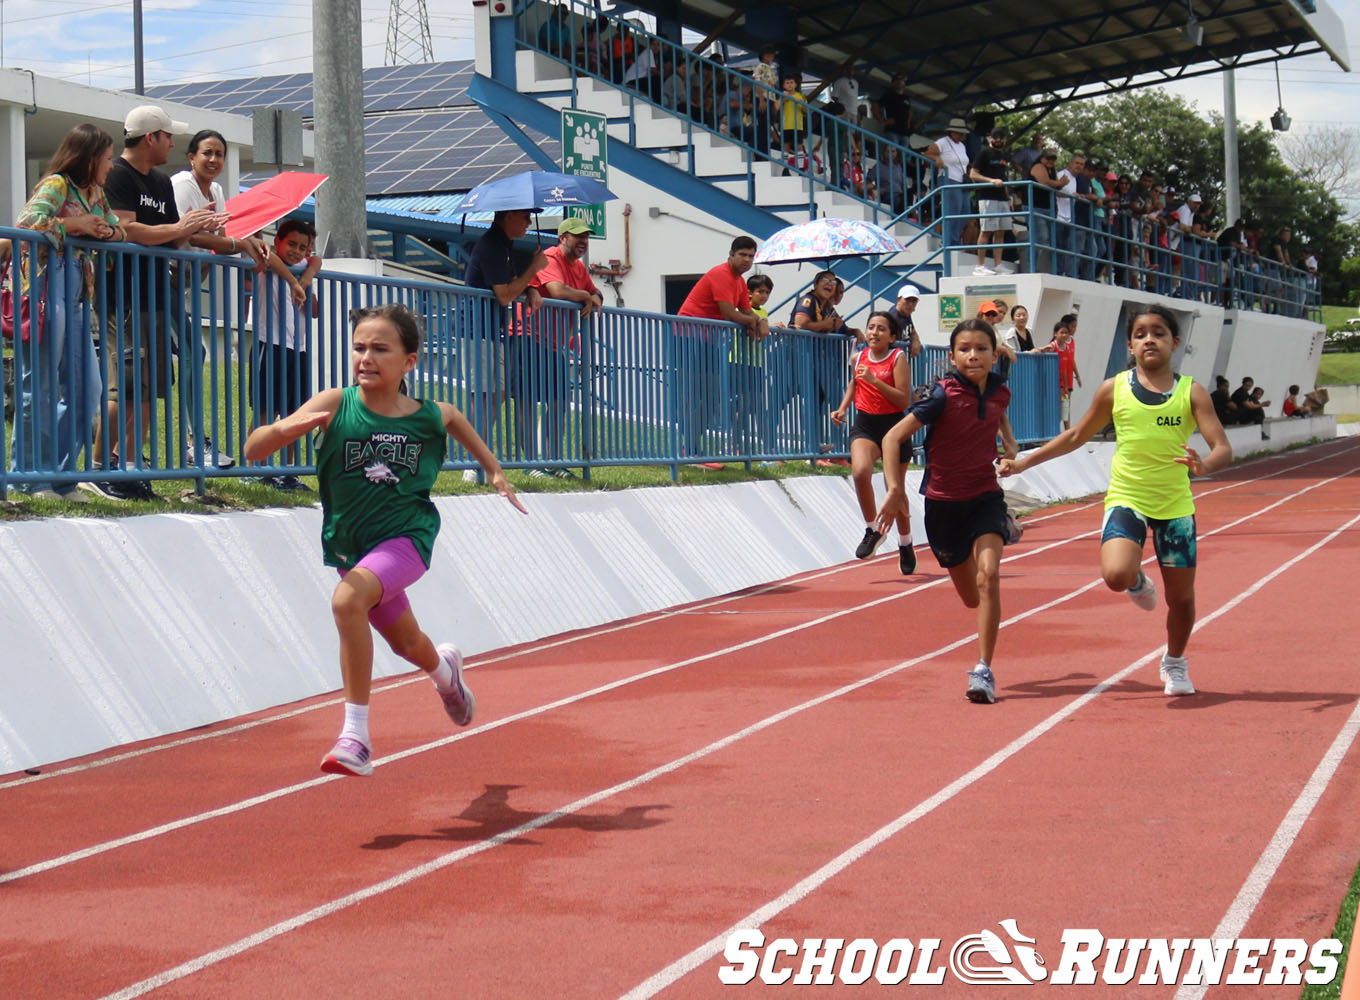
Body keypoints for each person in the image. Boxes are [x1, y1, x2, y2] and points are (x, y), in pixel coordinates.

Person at [243, 303, 527, 777]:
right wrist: (286, 428)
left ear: (408, 361)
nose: (365, 358)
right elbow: (253, 450)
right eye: (358, 348)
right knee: (407, 643)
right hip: (352, 546)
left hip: (407, 539)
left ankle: (355, 736)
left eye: (380, 348)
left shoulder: (427, 415)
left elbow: (455, 420)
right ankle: (445, 674)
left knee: (345, 602)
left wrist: (494, 470)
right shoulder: (334, 403)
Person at [1000, 305, 1232, 697]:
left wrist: (1205, 465)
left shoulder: (1191, 392)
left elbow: (1222, 447)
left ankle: (1174, 661)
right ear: (1130, 344)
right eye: (1141, 334)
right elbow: (1075, 436)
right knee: (1115, 576)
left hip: (1175, 506)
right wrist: (1025, 461)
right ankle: (1136, 579)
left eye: (1158, 333)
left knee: (1182, 599)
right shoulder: (1115, 388)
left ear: (1175, 342)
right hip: (1128, 497)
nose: (1149, 340)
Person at [875, 318, 1021, 705]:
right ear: (953, 356)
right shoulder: (940, 395)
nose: (973, 355)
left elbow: (999, 415)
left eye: (981, 349)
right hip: (943, 506)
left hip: (985, 498)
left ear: (994, 355)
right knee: (973, 598)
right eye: (965, 349)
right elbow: (892, 437)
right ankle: (974, 575)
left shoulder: (1000, 391)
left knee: (990, 577)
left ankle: (983, 670)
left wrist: (1009, 446)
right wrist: (893, 489)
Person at [88, 105, 225, 501]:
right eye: (168, 136)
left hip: (156, 297)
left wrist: (193, 238)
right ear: (151, 137)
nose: (172, 143)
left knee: (154, 387)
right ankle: (99, 468)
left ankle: (131, 469)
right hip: (122, 296)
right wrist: (181, 229)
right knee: (126, 387)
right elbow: (126, 228)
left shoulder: (162, 182)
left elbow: (167, 236)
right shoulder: (117, 175)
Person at [8, 123, 125, 502]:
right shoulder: (57, 184)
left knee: (87, 391)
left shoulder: (96, 192)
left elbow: (114, 226)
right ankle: (30, 478)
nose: (110, 165)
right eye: (107, 158)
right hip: (47, 283)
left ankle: (58, 476)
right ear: (90, 158)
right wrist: (77, 225)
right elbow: (27, 224)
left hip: (77, 291)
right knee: (38, 386)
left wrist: (107, 232)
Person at [171, 127, 272, 470]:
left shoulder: (214, 189)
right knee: (188, 354)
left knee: (190, 354)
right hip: (161, 282)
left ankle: (194, 442)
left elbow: (219, 236)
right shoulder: (183, 185)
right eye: (207, 153)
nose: (214, 160)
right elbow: (193, 236)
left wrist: (250, 241)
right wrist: (237, 244)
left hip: (181, 285)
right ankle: (193, 443)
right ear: (192, 157)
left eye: (219, 154)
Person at [830, 311, 916, 575]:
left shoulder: (897, 358)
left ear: (892, 336)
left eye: (881, 329)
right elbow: (854, 384)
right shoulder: (859, 357)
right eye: (871, 327)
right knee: (859, 472)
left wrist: (875, 380)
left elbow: (904, 401)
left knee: (897, 492)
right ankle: (872, 530)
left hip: (894, 427)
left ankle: (906, 542)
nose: (874, 333)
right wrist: (843, 408)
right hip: (865, 424)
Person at [464, 207, 547, 479]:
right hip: (478, 330)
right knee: (484, 396)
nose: (528, 223)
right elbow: (504, 295)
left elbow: (512, 284)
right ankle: (472, 464)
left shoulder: (503, 245)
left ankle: (478, 459)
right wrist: (534, 269)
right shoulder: (492, 245)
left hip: (489, 330)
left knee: (495, 395)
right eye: (525, 216)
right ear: (509, 215)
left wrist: (531, 288)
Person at [519, 216, 603, 477]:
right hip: (528, 336)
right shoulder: (549, 257)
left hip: (555, 344)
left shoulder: (578, 268)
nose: (584, 241)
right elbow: (556, 290)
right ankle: (531, 464)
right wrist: (586, 297)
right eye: (578, 236)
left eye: (587, 237)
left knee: (559, 400)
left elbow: (597, 293)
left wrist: (592, 297)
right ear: (562, 237)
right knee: (528, 400)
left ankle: (554, 462)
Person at [677, 235, 766, 467]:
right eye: (742, 255)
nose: (747, 260)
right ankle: (689, 451)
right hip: (689, 336)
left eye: (751, 256)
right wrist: (752, 323)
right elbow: (729, 313)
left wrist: (759, 322)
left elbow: (746, 311)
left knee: (711, 397)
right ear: (731, 255)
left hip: (710, 339)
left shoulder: (738, 281)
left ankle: (694, 450)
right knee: (697, 395)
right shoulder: (721, 274)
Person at [252, 218, 322, 491]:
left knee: (295, 411)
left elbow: (314, 309)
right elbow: (268, 258)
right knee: (265, 409)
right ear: (277, 242)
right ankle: (256, 466)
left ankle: (287, 471)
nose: (296, 251)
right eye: (291, 243)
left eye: (303, 247)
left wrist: (306, 281)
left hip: (298, 347)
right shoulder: (267, 262)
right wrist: (296, 280)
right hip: (270, 343)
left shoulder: (307, 267)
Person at [969, 127, 1013, 275]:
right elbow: (973, 174)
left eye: (1001, 137)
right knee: (986, 230)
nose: (999, 140)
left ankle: (998, 264)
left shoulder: (1004, 155)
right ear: (990, 138)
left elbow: (1004, 177)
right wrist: (991, 181)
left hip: (1002, 197)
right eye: (996, 137)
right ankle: (979, 266)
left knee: (1001, 231)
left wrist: (1008, 198)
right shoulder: (983, 152)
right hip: (987, 197)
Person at [1037, 315, 1081, 428]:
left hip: (1065, 383)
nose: (1065, 334)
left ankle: (1066, 431)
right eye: (1063, 332)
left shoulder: (1067, 346)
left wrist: (1075, 378)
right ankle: (1053, 430)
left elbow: (1068, 365)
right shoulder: (1053, 346)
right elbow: (1043, 350)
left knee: (1065, 407)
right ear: (1055, 334)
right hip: (1054, 382)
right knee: (1054, 408)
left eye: (1066, 332)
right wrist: (1038, 350)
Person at [891, 284, 924, 358]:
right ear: (898, 299)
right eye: (907, 300)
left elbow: (912, 331)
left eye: (914, 301)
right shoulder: (892, 317)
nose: (910, 304)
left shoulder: (906, 314)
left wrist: (916, 341)